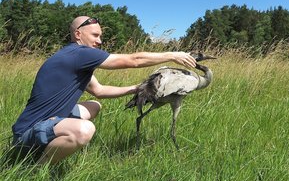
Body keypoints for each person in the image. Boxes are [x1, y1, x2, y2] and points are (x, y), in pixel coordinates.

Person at [11, 16, 196, 164]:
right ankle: (39, 167)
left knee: (93, 106)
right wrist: (171, 55)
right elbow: (133, 60)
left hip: (38, 125)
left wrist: (137, 89)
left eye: (100, 36)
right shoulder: (79, 54)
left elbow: (99, 90)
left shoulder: (70, 57)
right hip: (26, 134)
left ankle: (53, 142)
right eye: (95, 35)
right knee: (84, 130)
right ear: (78, 34)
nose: (99, 41)